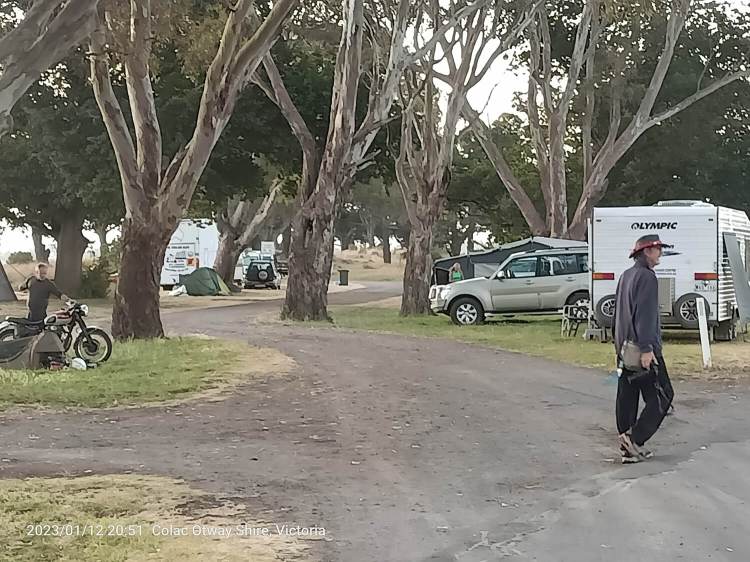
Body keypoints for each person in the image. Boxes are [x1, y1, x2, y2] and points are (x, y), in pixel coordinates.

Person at [614, 234, 675, 464]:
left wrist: (619, 347)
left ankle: (627, 447)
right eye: (658, 249)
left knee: (627, 396)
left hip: (625, 348)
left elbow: (619, 315)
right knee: (663, 394)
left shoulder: (626, 275)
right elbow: (645, 315)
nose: (660, 253)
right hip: (642, 348)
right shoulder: (647, 277)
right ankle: (634, 439)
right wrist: (648, 348)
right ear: (647, 251)